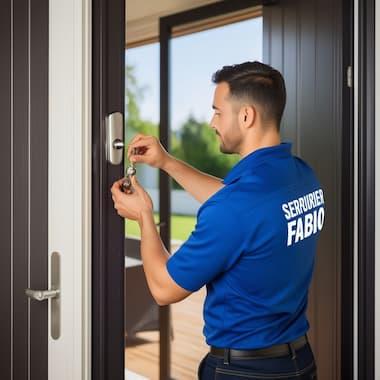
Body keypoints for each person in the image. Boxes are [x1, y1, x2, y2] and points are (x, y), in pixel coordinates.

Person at [111, 61, 324, 379]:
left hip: (243, 371)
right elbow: (237, 205)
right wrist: (168, 162)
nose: (211, 122)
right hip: (299, 362)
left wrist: (143, 216)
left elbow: (164, 289)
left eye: (217, 111)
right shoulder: (302, 176)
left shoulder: (236, 207)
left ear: (246, 115)